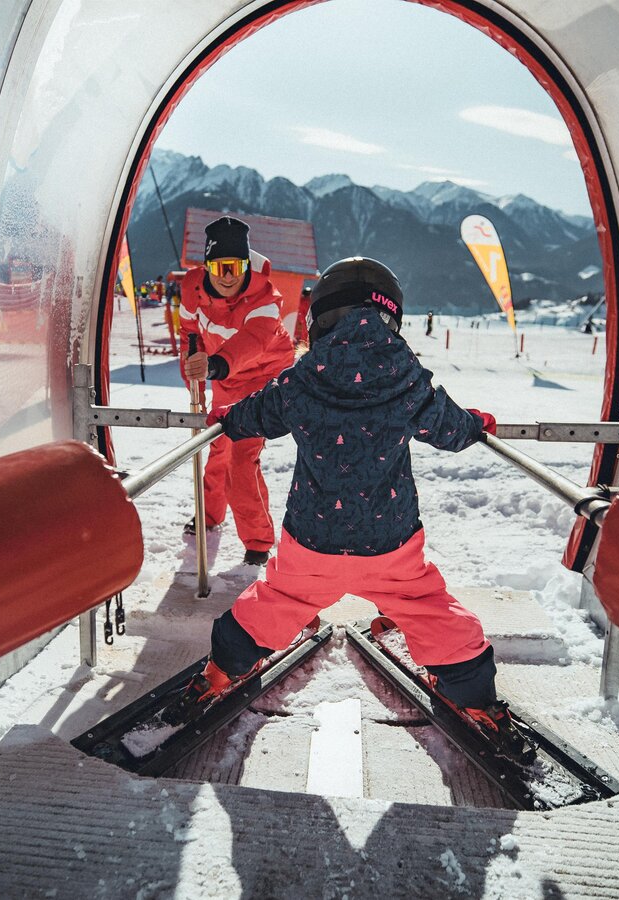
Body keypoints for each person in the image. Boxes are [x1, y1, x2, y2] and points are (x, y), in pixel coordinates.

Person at [176, 256, 532, 760]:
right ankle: (472, 696)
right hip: (390, 548)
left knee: (274, 601)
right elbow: (451, 430)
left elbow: (256, 414)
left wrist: (225, 416)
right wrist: (478, 422)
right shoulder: (408, 378)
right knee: (430, 610)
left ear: (319, 318)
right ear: (392, 317)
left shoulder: (302, 379)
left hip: (311, 545)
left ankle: (222, 671)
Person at [179, 216, 295, 566]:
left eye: (236, 266)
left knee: (240, 459)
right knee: (216, 446)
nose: (228, 276)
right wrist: (194, 377)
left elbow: (254, 340)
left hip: (262, 377)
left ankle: (258, 540)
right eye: (219, 266)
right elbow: (189, 333)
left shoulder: (265, 297)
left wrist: (214, 366)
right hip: (223, 374)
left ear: (247, 265)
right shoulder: (192, 288)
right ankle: (210, 515)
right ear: (206, 266)